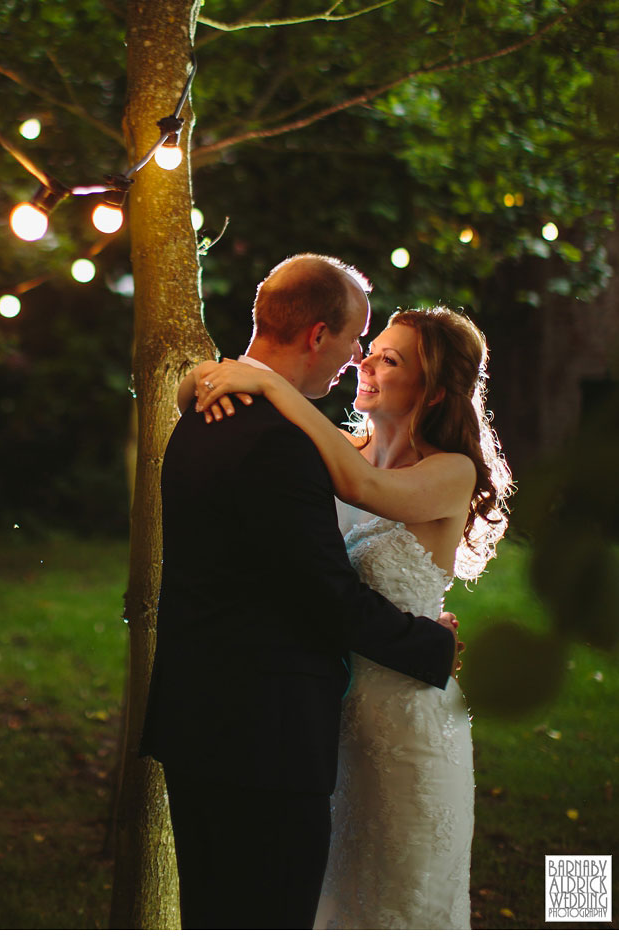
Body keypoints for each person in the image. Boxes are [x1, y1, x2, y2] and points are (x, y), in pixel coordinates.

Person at [139, 255, 461, 931]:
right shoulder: (276, 438)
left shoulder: (209, 410)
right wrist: (430, 645)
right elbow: (321, 591)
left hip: (208, 719)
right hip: (263, 734)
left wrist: (209, 376)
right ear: (318, 336)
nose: (357, 363)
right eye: (354, 344)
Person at [193, 303, 513, 929]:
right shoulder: (336, 444)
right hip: (327, 716)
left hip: (407, 723)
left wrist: (271, 383)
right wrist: (200, 380)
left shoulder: (451, 473)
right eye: (371, 349)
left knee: (400, 899)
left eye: (389, 359)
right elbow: (205, 389)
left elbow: (360, 490)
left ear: (435, 390)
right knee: (331, 895)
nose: (364, 361)